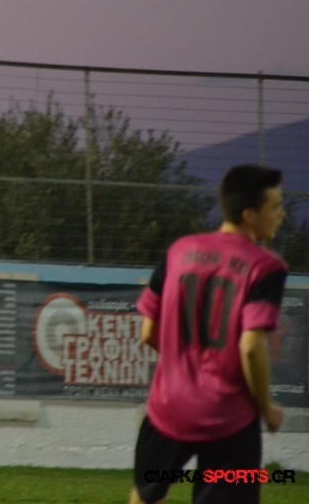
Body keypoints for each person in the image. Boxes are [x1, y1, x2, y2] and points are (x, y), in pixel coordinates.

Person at [129, 164, 288, 504]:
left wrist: (184, 366)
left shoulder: (179, 250)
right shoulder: (265, 267)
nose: (282, 214)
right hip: (228, 417)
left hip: (168, 407)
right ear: (249, 215)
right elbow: (250, 347)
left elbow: (147, 332)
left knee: (145, 496)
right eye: (275, 206)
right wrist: (266, 407)